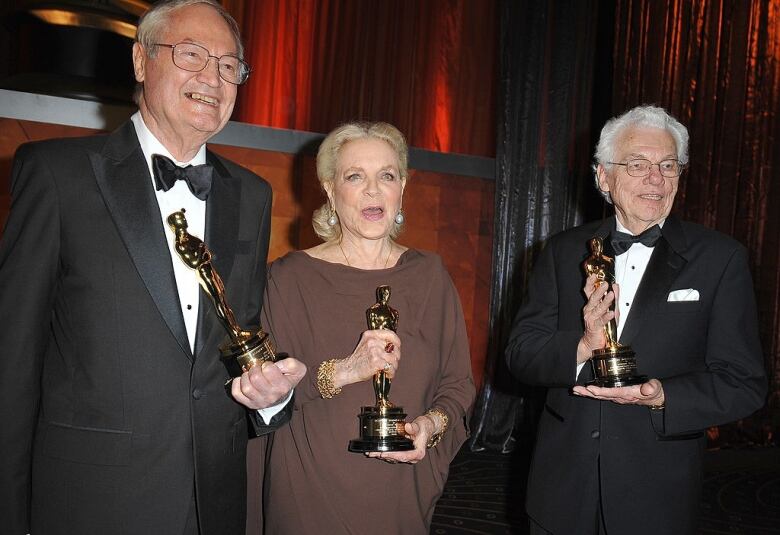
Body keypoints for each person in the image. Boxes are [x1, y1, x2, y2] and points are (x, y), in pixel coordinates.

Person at [0, 1, 305, 534]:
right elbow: (12, 359)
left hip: (211, 505)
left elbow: (243, 332)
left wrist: (270, 396)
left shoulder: (253, 196)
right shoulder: (56, 175)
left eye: (229, 65)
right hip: (88, 502)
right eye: (191, 54)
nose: (212, 77)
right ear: (141, 61)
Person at [505, 105, 766, 534]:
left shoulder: (721, 259)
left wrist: (662, 395)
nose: (655, 179)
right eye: (638, 165)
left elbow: (744, 383)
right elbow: (520, 354)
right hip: (561, 490)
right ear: (603, 177)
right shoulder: (563, 251)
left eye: (668, 165)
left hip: (657, 492)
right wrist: (583, 346)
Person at [259, 121, 476, 533]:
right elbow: (267, 393)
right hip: (309, 489)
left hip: (401, 490)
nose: (374, 190)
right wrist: (345, 370)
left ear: (403, 187)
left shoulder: (430, 275)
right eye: (355, 176)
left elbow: (458, 385)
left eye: (387, 176)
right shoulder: (289, 278)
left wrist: (429, 427)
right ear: (329, 188)